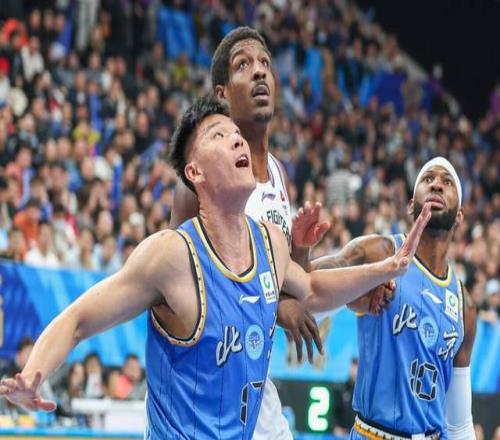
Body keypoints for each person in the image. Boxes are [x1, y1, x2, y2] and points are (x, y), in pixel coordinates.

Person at [0, 97, 430, 439]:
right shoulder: (172, 255)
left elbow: (313, 289)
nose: (237, 140)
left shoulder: (270, 242)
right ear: (195, 171)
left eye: (236, 134)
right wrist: (31, 378)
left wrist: (389, 267)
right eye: (219, 135)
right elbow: (77, 319)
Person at [169, 27, 331, 440]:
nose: (259, 72)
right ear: (222, 94)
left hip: (254, 384)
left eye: (265, 64)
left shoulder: (278, 172)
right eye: (244, 65)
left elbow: (286, 279)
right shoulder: (199, 181)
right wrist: (278, 308)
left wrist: (302, 250)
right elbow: (180, 290)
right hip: (203, 391)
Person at [302, 157, 477, 439]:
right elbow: (306, 283)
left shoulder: (464, 304)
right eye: (428, 179)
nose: (436, 185)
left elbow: (459, 424)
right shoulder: (379, 252)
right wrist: (301, 252)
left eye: (447, 182)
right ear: (411, 205)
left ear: (459, 215)